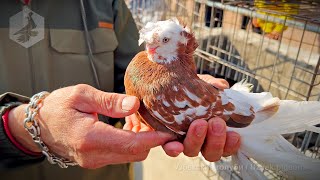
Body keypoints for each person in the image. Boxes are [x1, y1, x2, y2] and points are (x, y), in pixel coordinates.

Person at [0, 0, 240, 179]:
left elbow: (133, 74)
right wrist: (20, 127)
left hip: (107, 173)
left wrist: (176, 95)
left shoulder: (105, 3)